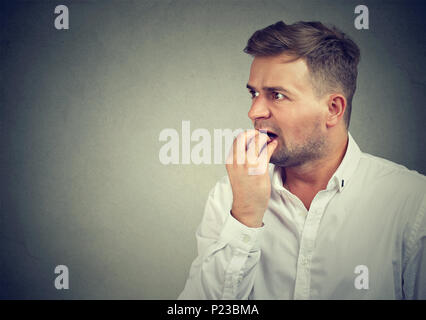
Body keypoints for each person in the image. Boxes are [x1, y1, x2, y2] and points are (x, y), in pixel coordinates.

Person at [178, 21, 426, 299]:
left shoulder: (413, 204)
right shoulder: (229, 196)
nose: (254, 111)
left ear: (333, 109)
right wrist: (245, 219)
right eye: (254, 93)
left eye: (277, 95)